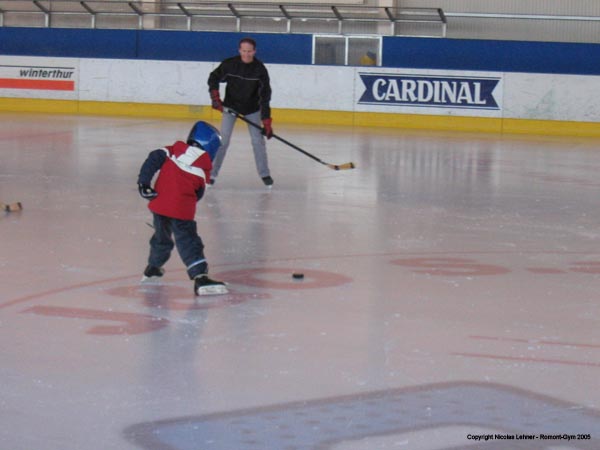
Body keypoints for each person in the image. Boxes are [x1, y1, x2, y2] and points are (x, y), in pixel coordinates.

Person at [137, 121, 228, 296]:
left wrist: (144, 183)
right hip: (181, 210)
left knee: (161, 238)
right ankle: (200, 278)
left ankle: (153, 268)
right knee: (188, 241)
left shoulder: (171, 151)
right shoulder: (203, 169)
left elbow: (152, 159)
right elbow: (198, 194)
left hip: (159, 205)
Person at [208, 37, 274, 187]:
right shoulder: (230, 64)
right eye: (243, 51)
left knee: (258, 141)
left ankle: (265, 174)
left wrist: (266, 121)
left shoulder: (260, 70)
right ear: (239, 50)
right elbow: (214, 77)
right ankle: (211, 174)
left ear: (254, 51)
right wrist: (215, 98)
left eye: (249, 51)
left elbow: (265, 97)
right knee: (223, 141)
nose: (246, 54)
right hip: (231, 107)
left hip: (252, 108)